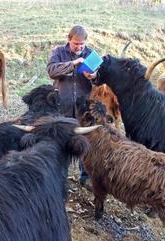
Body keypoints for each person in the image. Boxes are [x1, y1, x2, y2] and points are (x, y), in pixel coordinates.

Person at [47, 25, 97, 186]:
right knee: (61, 140)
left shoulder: (90, 54)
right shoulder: (59, 52)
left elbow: (100, 78)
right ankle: (60, 175)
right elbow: (51, 71)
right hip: (63, 105)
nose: (79, 47)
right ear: (69, 40)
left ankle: (85, 176)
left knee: (86, 140)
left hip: (84, 107)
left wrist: (94, 76)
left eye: (82, 44)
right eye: (76, 43)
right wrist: (73, 64)